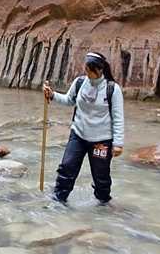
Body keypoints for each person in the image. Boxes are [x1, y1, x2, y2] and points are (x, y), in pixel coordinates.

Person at [42, 51, 124, 206]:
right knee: (66, 168)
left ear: (100, 70)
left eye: (90, 70)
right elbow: (68, 100)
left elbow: (118, 118)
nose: (86, 73)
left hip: (102, 140)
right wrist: (52, 95)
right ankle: (58, 200)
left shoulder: (112, 89)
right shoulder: (80, 83)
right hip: (78, 135)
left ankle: (103, 204)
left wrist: (118, 143)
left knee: (101, 176)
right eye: (85, 69)